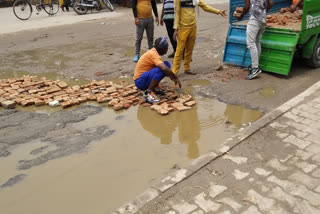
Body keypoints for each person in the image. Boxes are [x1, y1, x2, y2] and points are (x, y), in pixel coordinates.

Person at [172, 0, 227, 75]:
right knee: (179, 50)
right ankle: (174, 72)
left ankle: (187, 68)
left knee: (189, 49)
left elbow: (205, 7)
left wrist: (218, 11)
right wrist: (176, 29)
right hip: (183, 28)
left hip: (193, 27)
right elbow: (177, 13)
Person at [134, 37, 182, 103]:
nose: (167, 49)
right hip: (140, 81)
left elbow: (165, 71)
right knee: (165, 66)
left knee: (165, 65)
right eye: (166, 47)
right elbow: (164, 69)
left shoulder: (154, 52)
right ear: (162, 48)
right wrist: (175, 77)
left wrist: (171, 77)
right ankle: (147, 93)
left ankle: (154, 88)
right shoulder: (153, 54)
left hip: (142, 79)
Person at [237, 0, 273, 80]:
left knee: (251, 43)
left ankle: (255, 68)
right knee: (257, 41)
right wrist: (263, 11)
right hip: (262, 20)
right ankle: (255, 66)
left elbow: (246, 6)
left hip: (254, 20)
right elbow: (271, 3)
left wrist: (241, 16)